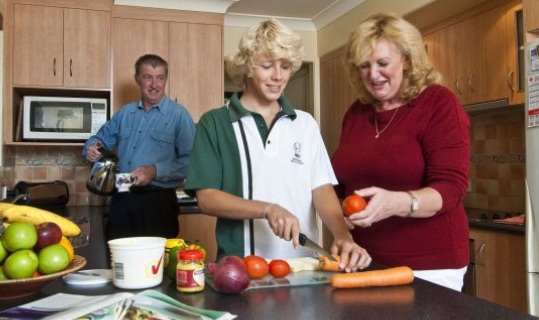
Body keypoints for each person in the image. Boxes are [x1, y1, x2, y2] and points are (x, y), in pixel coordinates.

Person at [184, 19, 371, 272]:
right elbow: (207, 199)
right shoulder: (215, 123)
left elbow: (321, 189)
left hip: (305, 266)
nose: (278, 76)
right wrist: (267, 209)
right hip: (242, 268)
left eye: (285, 66)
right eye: (267, 66)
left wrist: (343, 237)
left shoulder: (305, 123)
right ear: (248, 67)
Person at [331, 13, 470, 291]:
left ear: (406, 59)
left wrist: (397, 202)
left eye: (383, 63)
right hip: (365, 260)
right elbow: (342, 184)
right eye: (364, 65)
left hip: (430, 265)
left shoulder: (438, 104)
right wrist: (340, 220)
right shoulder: (356, 113)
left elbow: (451, 189)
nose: (373, 74)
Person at [83, 54, 196, 241]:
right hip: (122, 193)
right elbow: (98, 140)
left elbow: (192, 162)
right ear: (138, 79)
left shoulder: (179, 115)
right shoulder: (124, 114)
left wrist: (155, 171)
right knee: (118, 259)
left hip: (158, 201)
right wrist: (91, 147)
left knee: (155, 265)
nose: (155, 85)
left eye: (160, 78)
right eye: (147, 77)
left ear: (165, 80)